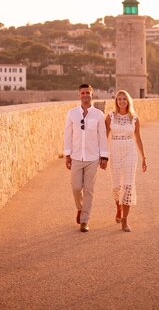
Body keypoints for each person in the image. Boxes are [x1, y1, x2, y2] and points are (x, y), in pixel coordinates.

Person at [64, 83, 109, 232]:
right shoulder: (72, 113)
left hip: (92, 158)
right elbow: (68, 135)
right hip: (76, 156)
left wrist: (104, 157)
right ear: (79, 95)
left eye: (87, 93)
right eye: (82, 93)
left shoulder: (98, 114)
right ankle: (80, 208)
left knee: (89, 190)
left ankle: (85, 220)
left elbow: (102, 137)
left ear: (92, 94)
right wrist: (67, 154)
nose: (85, 95)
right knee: (76, 187)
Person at [105, 89, 147, 232]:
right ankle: (118, 207)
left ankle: (125, 220)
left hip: (130, 151)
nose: (121, 101)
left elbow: (138, 138)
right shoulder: (110, 117)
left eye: (124, 99)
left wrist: (144, 157)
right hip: (115, 150)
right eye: (119, 99)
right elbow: (104, 137)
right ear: (116, 101)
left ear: (128, 101)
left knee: (128, 185)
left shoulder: (134, 118)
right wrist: (102, 156)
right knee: (117, 186)